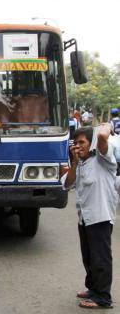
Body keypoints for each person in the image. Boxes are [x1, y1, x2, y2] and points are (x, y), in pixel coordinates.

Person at [63, 124, 118, 309]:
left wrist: (108, 125)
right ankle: (93, 289)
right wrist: (75, 162)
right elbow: (67, 184)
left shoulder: (103, 158)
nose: (78, 145)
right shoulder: (80, 163)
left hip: (100, 216)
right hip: (84, 218)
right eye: (76, 142)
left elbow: (103, 136)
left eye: (82, 142)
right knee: (89, 258)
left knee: (101, 259)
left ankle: (103, 298)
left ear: (91, 143)